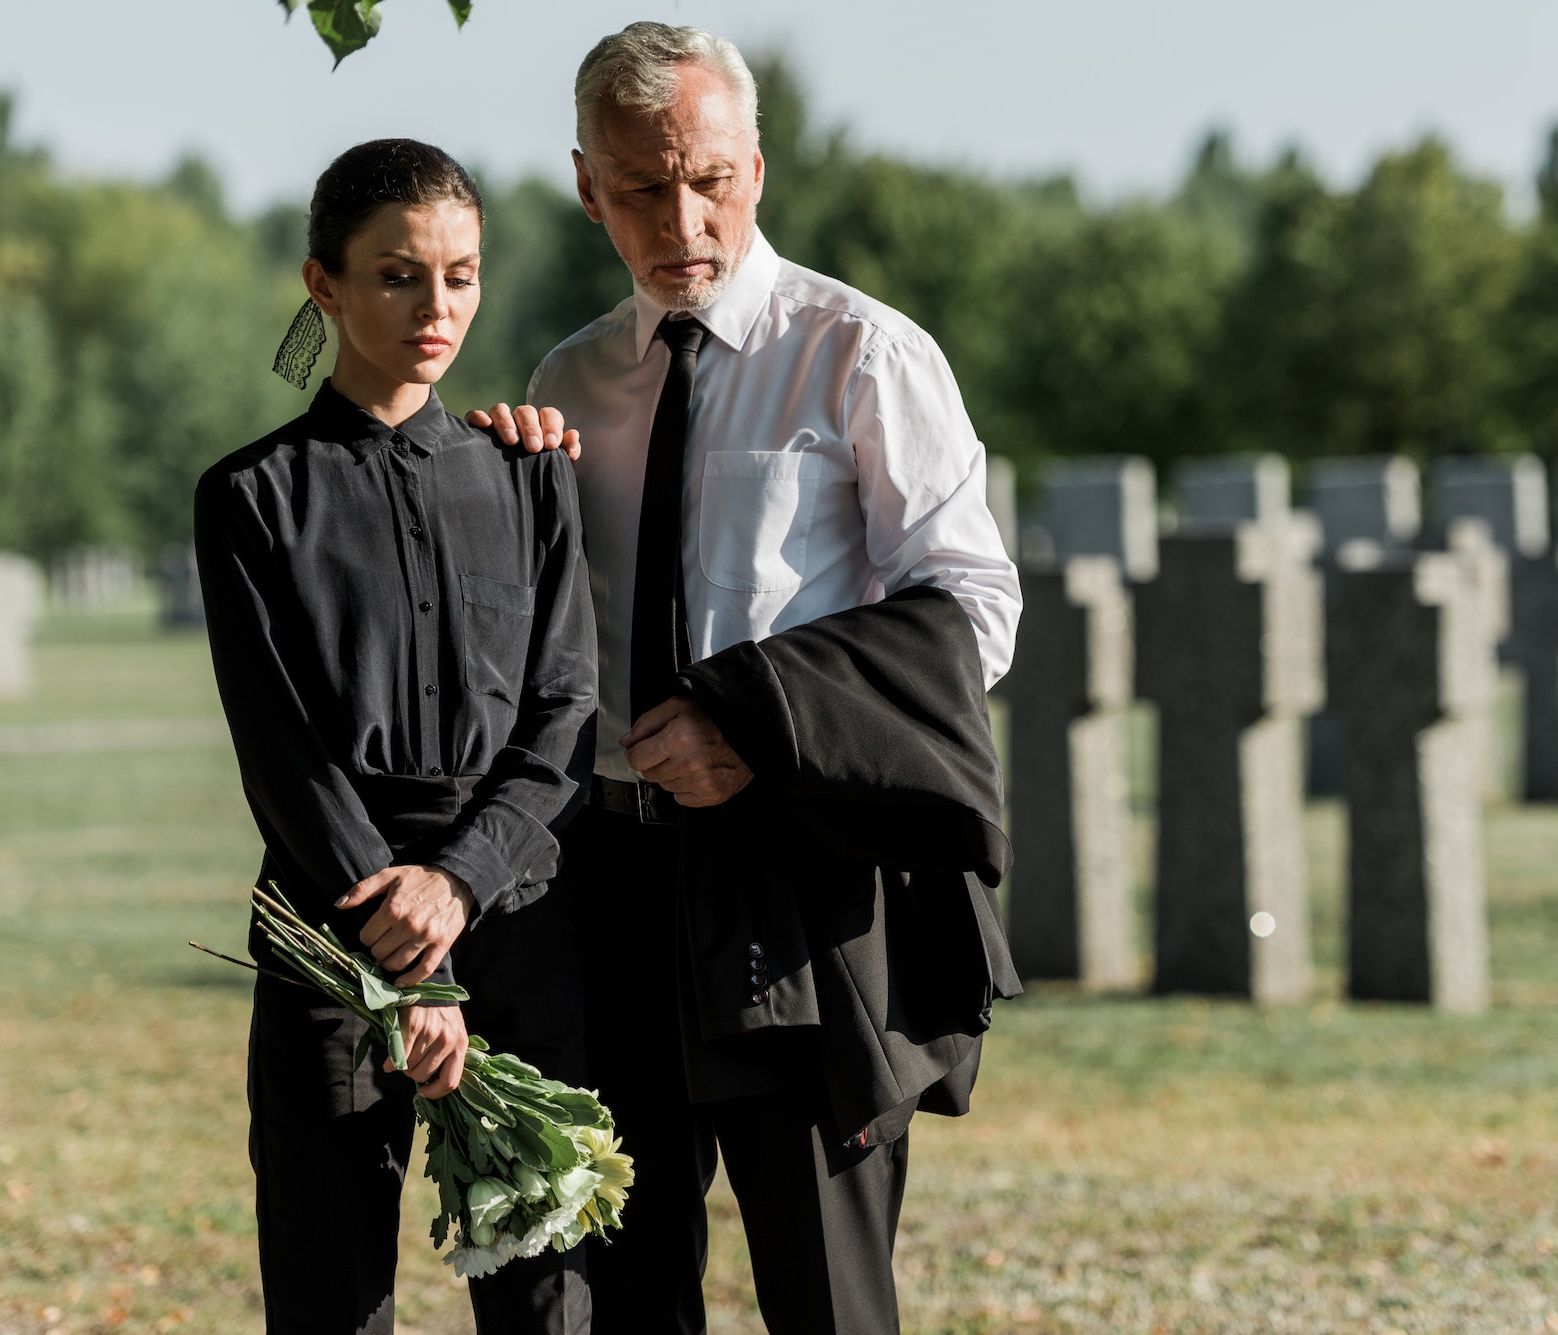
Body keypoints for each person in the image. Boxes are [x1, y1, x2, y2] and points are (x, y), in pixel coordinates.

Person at [474, 21, 1023, 1335]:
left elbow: (974, 607)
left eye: (710, 176)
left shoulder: (863, 354)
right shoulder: (569, 380)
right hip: (612, 884)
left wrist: (754, 723)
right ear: (586, 184)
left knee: (827, 1293)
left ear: (757, 170)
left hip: (799, 875)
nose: (684, 216)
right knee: (623, 1283)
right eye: (643, 185)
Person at [194, 139, 598, 1335]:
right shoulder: (251, 497)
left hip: (520, 917)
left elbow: (563, 711)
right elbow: (283, 751)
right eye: (396, 276)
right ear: (322, 284)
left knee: (548, 1300)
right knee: (330, 1296)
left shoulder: (532, 477)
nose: (437, 309)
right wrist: (402, 953)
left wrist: (461, 887)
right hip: (331, 923)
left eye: (461, 276)